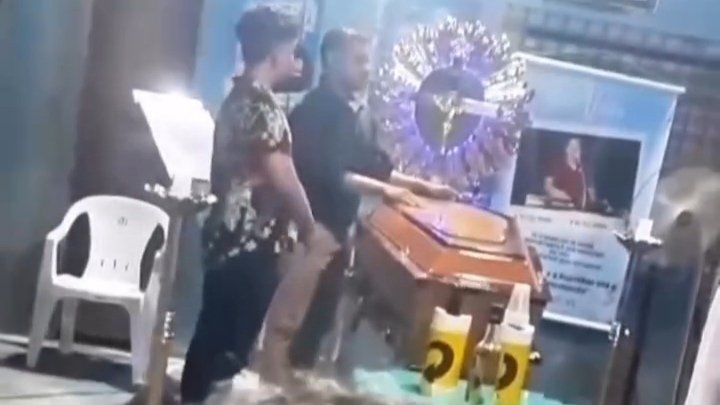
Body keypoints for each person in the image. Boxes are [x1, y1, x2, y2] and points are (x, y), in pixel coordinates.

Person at [257, 28, 457, 380]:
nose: (367, 69)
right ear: (332, 60)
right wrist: (386, 192)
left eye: (368, 61)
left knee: (319, 323)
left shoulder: (359, 115)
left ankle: (298, 391)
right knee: (287, 324)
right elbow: (331, 174)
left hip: (339, 232)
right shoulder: (314, 111)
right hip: (309, 231)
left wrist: (423, 187)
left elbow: (374, 165)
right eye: (359, 60)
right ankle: (269, 390)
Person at [180, 7, 335, 403]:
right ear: (275, 53)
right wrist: (308, 226)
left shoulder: (237, 97)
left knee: (212, 332)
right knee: (231, 342)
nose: (296, 61)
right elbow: (280, 171)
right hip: (249, 240)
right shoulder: (262, 106)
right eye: (292, 52)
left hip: (224, 234)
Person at [544, 137, 596, 210]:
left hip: (579, 211)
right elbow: (548, 188)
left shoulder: (584, 170)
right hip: (559, 208)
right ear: (567, 149)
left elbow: (592, 195)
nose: (574, 151)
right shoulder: (556, 164)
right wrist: (569, 199)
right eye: (572, 147)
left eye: (577, 148)